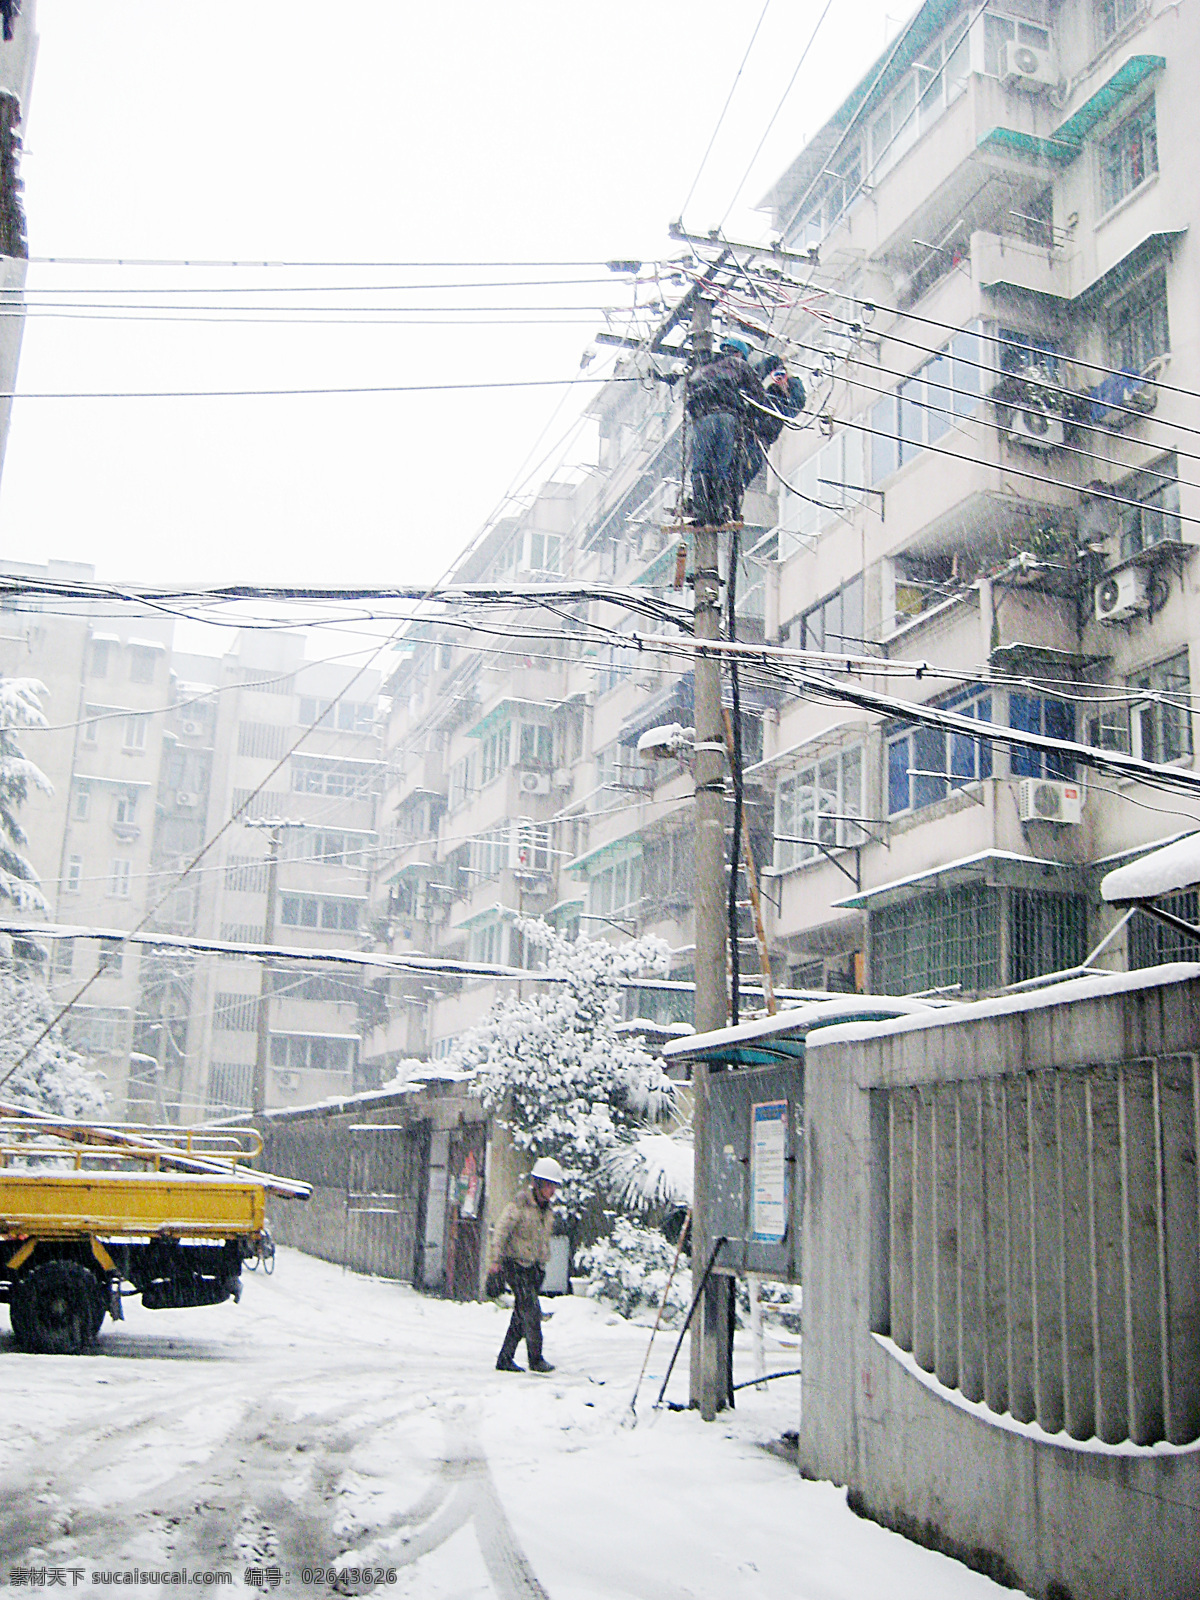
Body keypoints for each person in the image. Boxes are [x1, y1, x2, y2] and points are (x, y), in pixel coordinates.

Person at [488, 1155, 563, 1374]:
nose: (552, 1191)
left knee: (520, 1315)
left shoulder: (546, 1211)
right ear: (538, 1184)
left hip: (535, 1269)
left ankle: (505, 1358)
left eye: (554, 1186)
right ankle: (536, 1358)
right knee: (531, 1311)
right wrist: (495, 1261)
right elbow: (501, 1233)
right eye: (549, 1186)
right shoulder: (519, 1207)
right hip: (515, 1265)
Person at [684, 337, 767, 527]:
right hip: (727, 419)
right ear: (739, 354)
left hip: (704, 417)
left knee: (701, 466)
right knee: (722, 467)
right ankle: (719, 510)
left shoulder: (703, 365)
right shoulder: (738, 364)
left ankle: (702, 509)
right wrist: (750, 414)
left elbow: (689, 387)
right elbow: (758, 395)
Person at [739, 355, 806, 493]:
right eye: (776, 376)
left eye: (782, 376)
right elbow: (751, 376)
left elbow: (796, 405)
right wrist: (775, 362)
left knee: (747, 471)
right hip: (745, 436)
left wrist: (792, 381)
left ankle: (732, 495)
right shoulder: (763, 395)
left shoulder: (782, 403)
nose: (779, 380)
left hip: (759, 442)